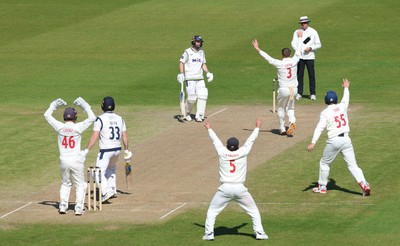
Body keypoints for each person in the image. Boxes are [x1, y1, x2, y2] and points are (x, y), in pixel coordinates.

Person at [202, 119, 268, 241]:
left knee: (212, 211)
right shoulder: (243, 151)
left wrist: (209, 128)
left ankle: (209, 234)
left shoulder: (222, 152)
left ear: (227, 146)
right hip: (240, 188)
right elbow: (250, 141)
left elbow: (215, 141)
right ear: (238, 146)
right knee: (253, 211)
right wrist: (257, 127)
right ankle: (260, 233)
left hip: (224, 188)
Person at [307, 79, 371, 196]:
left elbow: (319, 128)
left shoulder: (325, 113)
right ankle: (364, 184)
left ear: (326, 101)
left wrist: (313, 142)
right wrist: (346, 87)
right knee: (353, 165)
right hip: (346, 140)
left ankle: (322, 187)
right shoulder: (342, 107)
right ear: (336, 100)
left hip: (334, 141)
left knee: (324, 163)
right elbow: (346, 98)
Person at [44, 97, 96, 215]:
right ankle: (78, 207)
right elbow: (92, 118)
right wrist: (86, 106)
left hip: (63, 159)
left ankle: (63, 205)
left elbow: (47, 115)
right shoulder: (78, 127)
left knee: (66, 183)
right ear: (75, 117)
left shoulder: (60, 127)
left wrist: (53, 106)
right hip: (76, 159)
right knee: (80, 184)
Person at [82, 96, 132, 203]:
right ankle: (113, 189)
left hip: (106, 151)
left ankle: (105, 192)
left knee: (96, 173)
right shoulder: (120, 118)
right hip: (117, 150)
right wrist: (126, 150)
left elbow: (95, 136)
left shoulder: (100, 119)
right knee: (111, 169)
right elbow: (124, 136)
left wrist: (86, 150)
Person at [252, 33, 302, 136]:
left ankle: (282, 128)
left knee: (281, 108)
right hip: (294, 89)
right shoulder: (295, 60)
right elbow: (299, 50)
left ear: (282, 55)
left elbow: (268, 58)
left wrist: (258, 48)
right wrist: (300, 37)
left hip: (284, 90)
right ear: (290, 54)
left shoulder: (279, 63)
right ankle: (292, 122)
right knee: (291, 108)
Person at [177, 35, 214, 122]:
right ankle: (186, 113)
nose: (199, 43)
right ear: (193, 42)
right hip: (190, 78)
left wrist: (208, 72)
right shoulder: (187, 52)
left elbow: (202, 64)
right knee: (191, 98)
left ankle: (200, 115)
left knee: (203, 95)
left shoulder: (202, 52)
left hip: (200, 78)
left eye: (200, 42)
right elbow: (181, 62)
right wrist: (181, 74)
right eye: (197, 41)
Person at [291, 16, 322, 101]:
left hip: (310, 57)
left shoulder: (313, 32)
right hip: (300, 57)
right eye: (302, 23)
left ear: (308, 23)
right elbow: (293, 43)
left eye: (305, 23)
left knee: (311, 75)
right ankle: (299, 93)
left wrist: (310, 48)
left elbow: (319, 44)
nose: (303, 24)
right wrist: (298, 50)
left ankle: (312, 94)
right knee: (299, 75)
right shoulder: (297, 32)